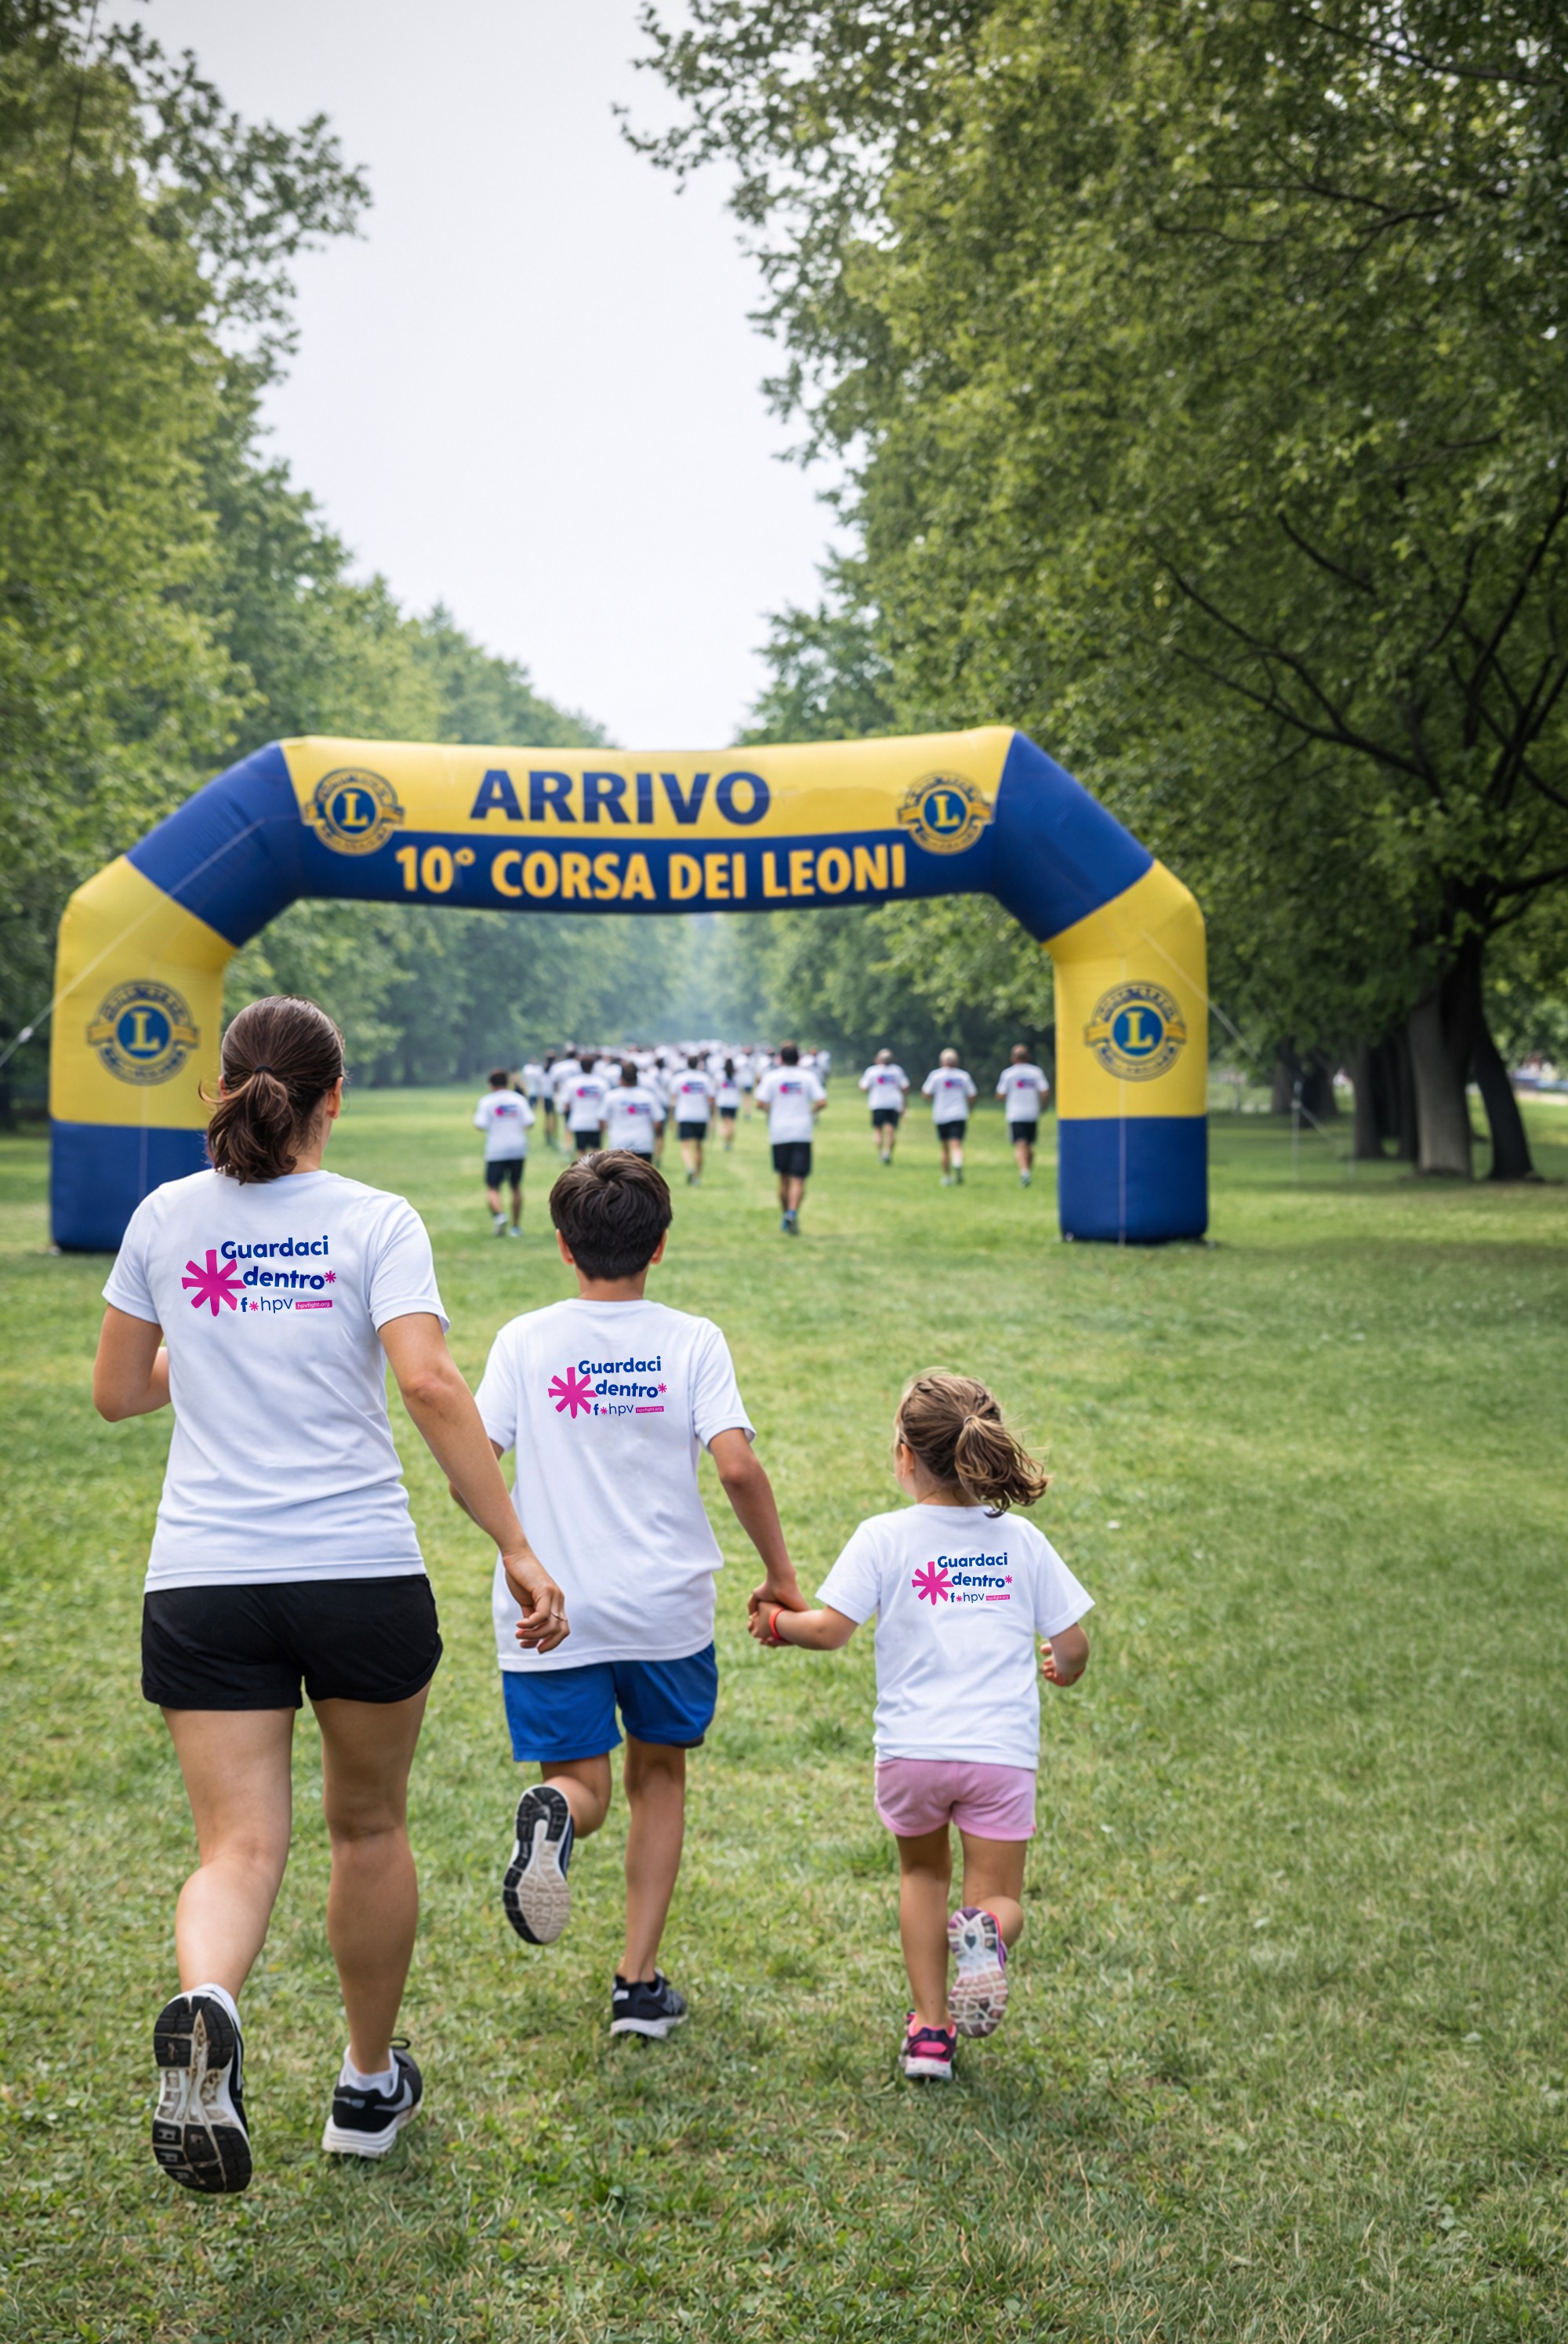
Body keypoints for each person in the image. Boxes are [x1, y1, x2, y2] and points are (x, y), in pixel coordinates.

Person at [92, 995, 567, 2194]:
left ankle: (209, 2002)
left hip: (205, 1580)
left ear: (223, 1089)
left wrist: (215, 1343)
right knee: (369, 1828)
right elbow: (432, 1385)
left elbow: (118, 1390)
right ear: (334, 1098)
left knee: (239, 1847)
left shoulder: (164, 1217)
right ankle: (364, 2085)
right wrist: (514, 1542)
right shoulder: (375, 1220)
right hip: (359, 1572)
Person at [465, 1154, 804, 2038]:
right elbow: (737, 1466)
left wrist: (517, 1552)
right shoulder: (692, 1339)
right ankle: (637, 1983)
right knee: (658, 1778)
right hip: (664, 1609)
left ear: (561, 1246)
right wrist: (780, 1574)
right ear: (659, 1246)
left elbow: (473, 1462)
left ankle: (557, 1819)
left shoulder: (524, 1340)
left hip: (548, 1611)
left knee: (580, 1784)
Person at [750, 1372, 1091, 2082]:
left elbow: (831, 1629)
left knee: (923, 1873)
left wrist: (777, 1622)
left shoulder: (884, 1536)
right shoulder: (1021, 1540)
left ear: (905, 1456)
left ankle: (931, 2033)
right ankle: (987, 1932)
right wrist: (1062, 1666)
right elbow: (1074, 1644)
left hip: (912, 1753)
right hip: (998, 1754)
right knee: (997, 1897)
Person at [755, 1041, 827, 1234]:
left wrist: (772, 1111)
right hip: (802, 1132)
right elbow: (822, 1101)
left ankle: (786, 1215)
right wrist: (811, 1112)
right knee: (798, 1178)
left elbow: (760, 1102)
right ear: (799, 1059)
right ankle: (793, 1212)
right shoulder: (808, 1077)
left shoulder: (772, 1077)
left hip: (779, 1132)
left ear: (780, 1059)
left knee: (783, 1178)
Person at [474, 1068, 535, 1235]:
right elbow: (529, 1122)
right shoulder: (519, 1099)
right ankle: (516, 1226)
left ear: (490, 1085)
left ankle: (499, 1215)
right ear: (507, 1083)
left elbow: (480, 1124)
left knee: (493, 1187)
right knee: (515, 1187)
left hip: (496, 1149)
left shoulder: (486, 1101)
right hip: (518, 1148)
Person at [996, 1045, 1051, 1187]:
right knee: (1029, 1145)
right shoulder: (1036, 1072)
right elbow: (1045, 1092)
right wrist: (1043, 1107)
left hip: (1015, 1114)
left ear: (1013, 1058)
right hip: (1032, 1113)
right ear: (1029, 1057)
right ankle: (1027, 1172)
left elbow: (1000, 1094)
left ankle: (1025, 1172)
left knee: (1020, 1145)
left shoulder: (1008, 1074)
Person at [921, 1049, 978, 1185]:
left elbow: (926, 1094)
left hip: (941, 1114)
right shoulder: (963, 1076)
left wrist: (934, 1098)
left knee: (945, 1147)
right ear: (957, 1061)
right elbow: (972, 1095)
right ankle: (958, 1162)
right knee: (956, 1144)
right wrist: (970, 1108)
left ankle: (946, 1177)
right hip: (959, 1113)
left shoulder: (936, 1075)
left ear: (942, 1062)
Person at [858, 1048, 910, 1165]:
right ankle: (887, 1153)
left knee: (878, 1130)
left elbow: (864, 1087)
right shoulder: (897, 1070)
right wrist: (905, 1102)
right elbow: (905, 1087)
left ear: (878, 1059)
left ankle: (880, 1153)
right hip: (893, 1103)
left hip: (877, 1103)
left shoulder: (872, 1071)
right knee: (891, 1130)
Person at [671, 1054, 715, 1186]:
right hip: (701, 1115)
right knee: (699, 1147)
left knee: (685, 1146)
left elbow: (673, 1097)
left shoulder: (679, 1078)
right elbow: (711, 1099)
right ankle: (697, 1176)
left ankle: (689, 1167)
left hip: (684, 1115)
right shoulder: (705, 1078)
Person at [604, 1060, 661, 1158]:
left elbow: (602, 1120)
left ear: (621, 1078)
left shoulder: (611, 1097)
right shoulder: (648, 1097)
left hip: (618, 1144)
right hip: (644, 1144)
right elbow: (658, 1122)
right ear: (637, 1077)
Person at [565, 1052, 610, 1153]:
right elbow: (606, 1104)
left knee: (581, 1155)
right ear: (593, 1066)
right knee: (597, 1155)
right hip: (596, 1123)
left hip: (579, 1122)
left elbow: (567, 1104)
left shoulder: (572, 1082)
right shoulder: (601, 1083)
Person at [715, 1059, 742, 1149]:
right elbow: (740, 1087)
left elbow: (716, 1086)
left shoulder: (720, 1075)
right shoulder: (737, 1076)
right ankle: (729, 1141)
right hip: (734, 1102)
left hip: (723, 1102)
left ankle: (726, 1140)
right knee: (732, 1123)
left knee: (725, 1123)